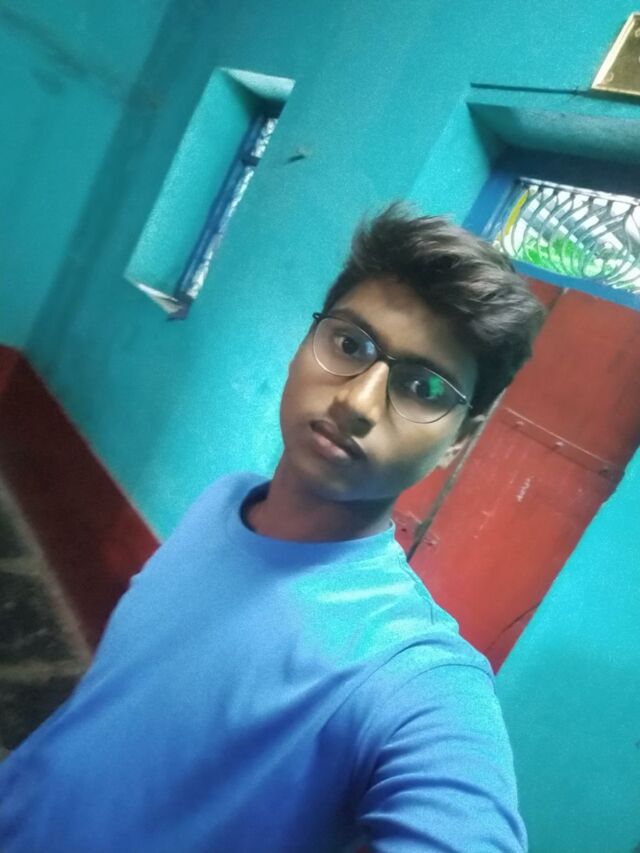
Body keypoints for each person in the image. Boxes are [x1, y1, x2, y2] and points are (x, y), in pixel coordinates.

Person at [0, 203, 544, 852]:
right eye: (349, 344)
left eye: (423, 388)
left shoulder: (408, 671)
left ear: (459, 438)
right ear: (304, 344)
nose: (357, 401)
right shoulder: (224, 501)